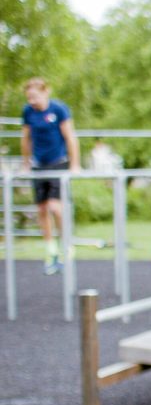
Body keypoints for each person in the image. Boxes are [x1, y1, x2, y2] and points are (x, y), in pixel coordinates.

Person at [20, 77, 80, 275]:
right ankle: (51, 251)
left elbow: (70, 137)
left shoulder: (58, 110)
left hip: (58, 162)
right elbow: (26, 138)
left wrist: (75, 164)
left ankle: (66, 245)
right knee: (42, 209)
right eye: (29, 97)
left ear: (46, 92)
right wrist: (26, 163)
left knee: (56, 207)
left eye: (35, 96)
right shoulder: (28, 112)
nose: (32, 101)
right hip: (39, 164)